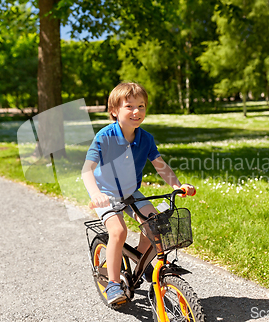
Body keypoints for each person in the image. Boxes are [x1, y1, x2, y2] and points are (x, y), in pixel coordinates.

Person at [82, 82, 195, 305]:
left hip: (130, 192)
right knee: (118, 231)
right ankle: (114, 283)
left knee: (154, 223)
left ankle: (142, 264)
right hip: (106, 193)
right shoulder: (105, 137)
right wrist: (96, 194)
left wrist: (177, 185)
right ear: (114, 111)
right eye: (129, 106)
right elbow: (87, 170)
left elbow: (160, 166)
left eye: (141, 106)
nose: (137, 112)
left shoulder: (146, 138)